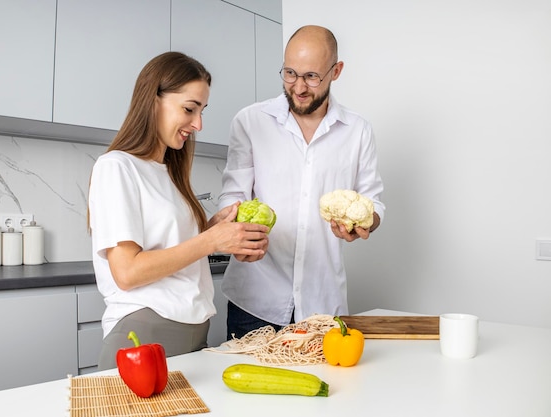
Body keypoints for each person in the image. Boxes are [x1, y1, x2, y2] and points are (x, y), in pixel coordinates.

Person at [88, 51, 269, 370]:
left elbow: (175, 250)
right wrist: (212, 241)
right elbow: (127, 272)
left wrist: (218, 230)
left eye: (201, 111)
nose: (198, 124)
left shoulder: (169, 175)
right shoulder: (116, 167)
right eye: (189, 109)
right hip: (144, 336)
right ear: (153, 99)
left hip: (193, 335)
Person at [218, 25, 385, 339]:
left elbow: (373, 204)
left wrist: (362, 224)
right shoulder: (250, 122)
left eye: (311, 76)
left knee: (327, 387)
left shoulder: (358, 131)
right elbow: (233, 197)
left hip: (323, 305)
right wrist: (234, 235)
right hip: (254, 303)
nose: (298, 87)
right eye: (290, 73)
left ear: (336, 71)